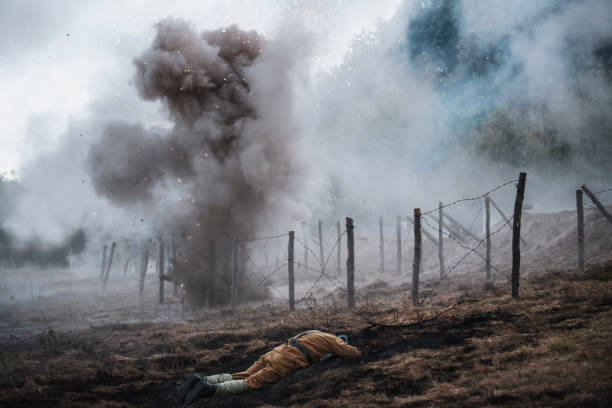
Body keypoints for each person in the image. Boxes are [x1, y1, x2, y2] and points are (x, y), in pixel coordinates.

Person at [176, 330, 361, 404]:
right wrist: (345, 348)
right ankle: (210, 389)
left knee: (242, 374)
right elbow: (351, 352)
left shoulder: (315, 333)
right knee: (251, 382)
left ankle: (203, 380)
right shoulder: (333, 341)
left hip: (275, 352)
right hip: (288, 360)